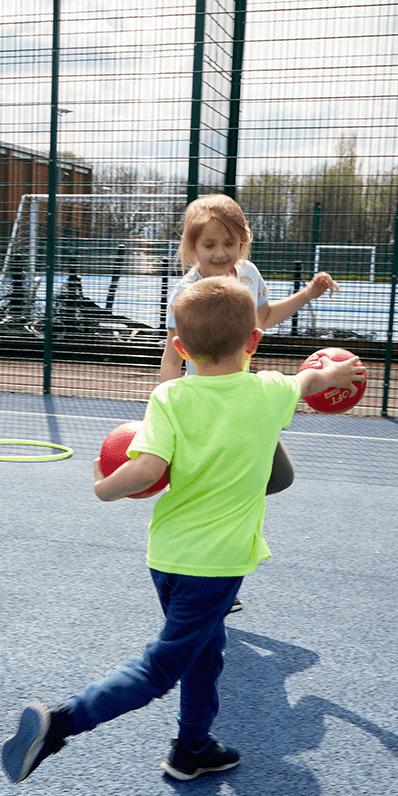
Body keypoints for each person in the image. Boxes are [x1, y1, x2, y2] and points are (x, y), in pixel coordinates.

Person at [2, 276, 365, 785]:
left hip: (167, 556)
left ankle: (192, 747)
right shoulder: (268, 392)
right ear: (253, 342)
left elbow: (147, 470)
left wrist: (103, 487)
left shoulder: (169, 397)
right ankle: (61, 723)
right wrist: (337, 371)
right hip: (215, 565)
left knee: (204, 652)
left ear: (180, 347)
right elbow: (308, 384)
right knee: (160, 667)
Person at [160, 193, 337, 614]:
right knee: (226, 491)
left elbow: (264, 318)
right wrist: (165, 406)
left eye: (230, 243)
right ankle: (204, 573)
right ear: (192, 248)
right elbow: (172, 351)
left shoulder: (249, 274)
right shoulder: (188, 292)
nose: (220, 253)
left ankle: (208, 564)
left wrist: (308, 293)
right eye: (209, 245)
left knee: (277, 476)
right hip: (203, 405)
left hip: (241, 398)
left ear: (243, 243)